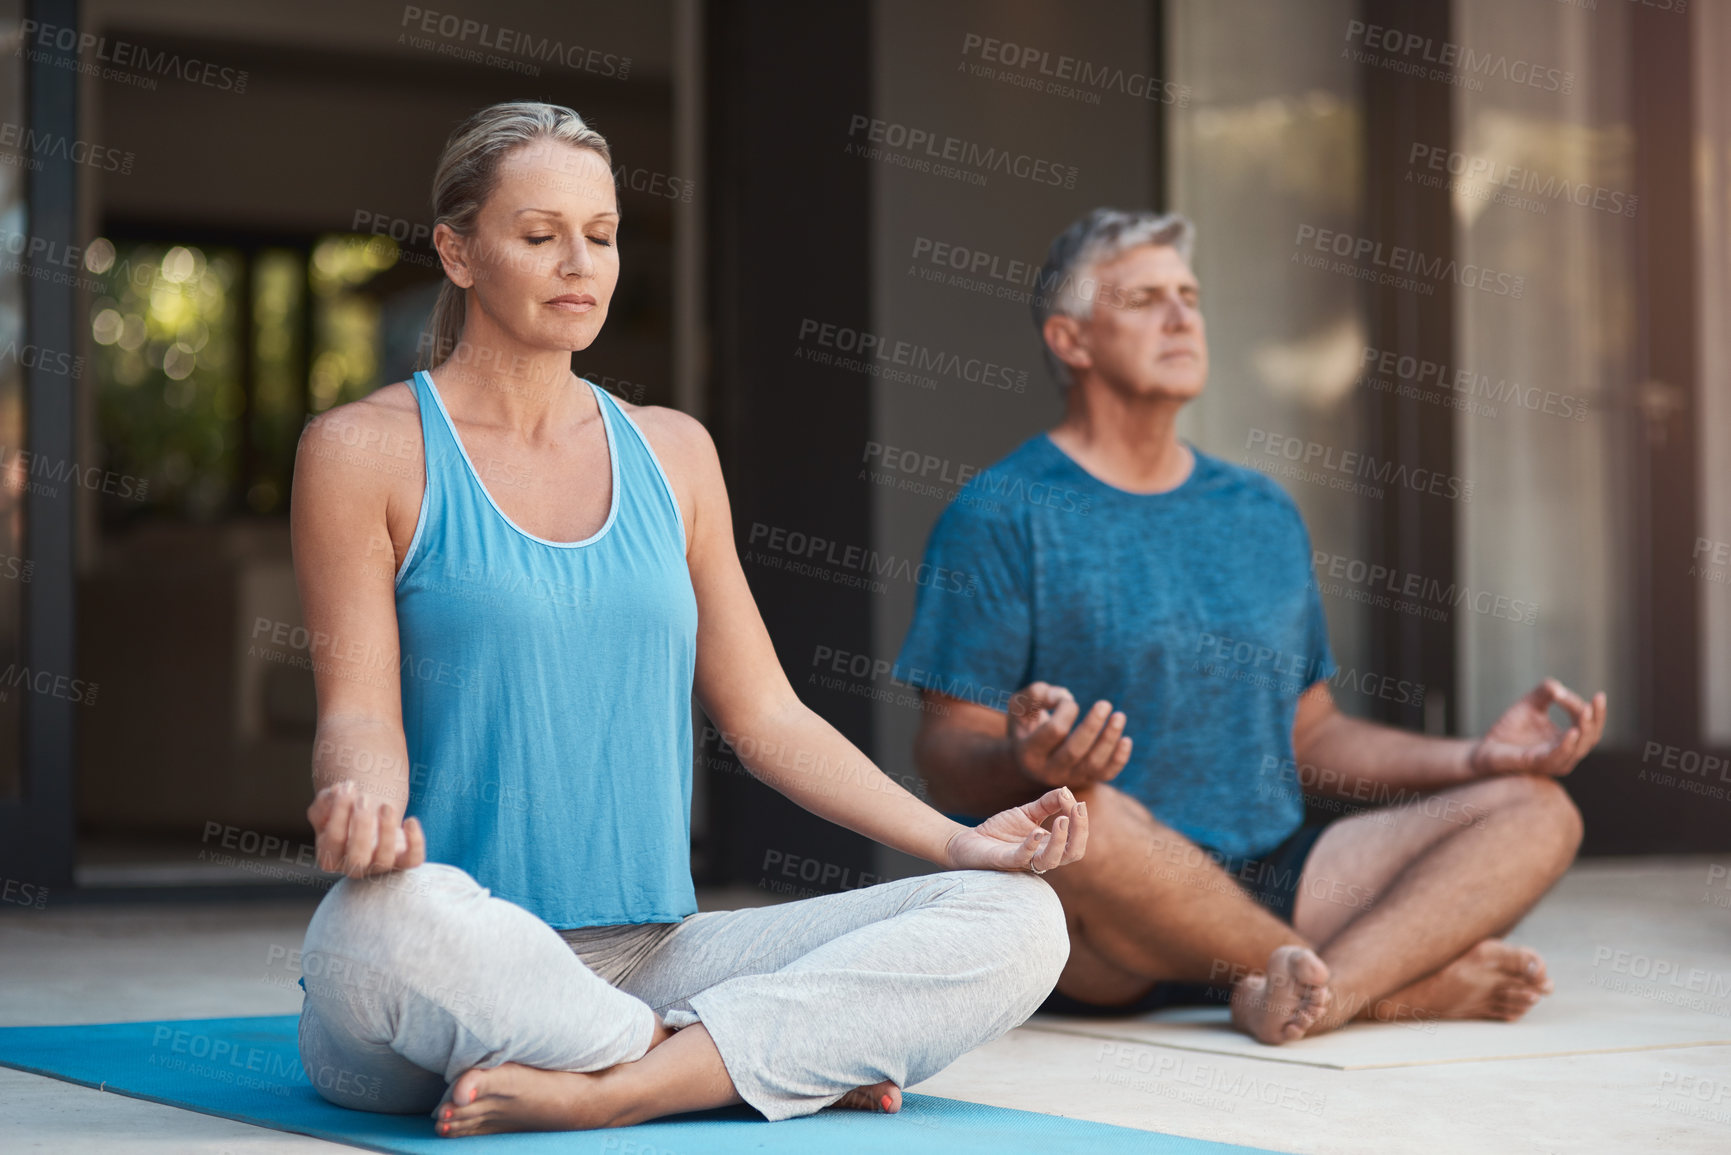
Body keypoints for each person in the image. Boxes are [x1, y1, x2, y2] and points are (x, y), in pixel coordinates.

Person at [290, 101, 1084, 1138]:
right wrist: (361, 808)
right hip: (458, 952)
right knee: (387, 924)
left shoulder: (673, 452)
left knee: (1018, 918)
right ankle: (748, 1058)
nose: (580, 262)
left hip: (654, 960)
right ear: (458, 252)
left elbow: (766, 719)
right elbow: (359, 713)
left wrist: (958, 842)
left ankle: (626, 1084)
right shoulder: (363, 449)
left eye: (603, 236)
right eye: (539, 236)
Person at [897, 207, 1602, 1046]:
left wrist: (1477, 759)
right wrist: (1023, 760)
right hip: (1106, 906)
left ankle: (1312, 988)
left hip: (1278, 872)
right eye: (1144, 298)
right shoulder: (1001, 513)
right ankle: (1378, 984)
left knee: (1538, 809)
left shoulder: (1259, 510)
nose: (1180, 315)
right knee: (1078, 815)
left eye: (1189, 295)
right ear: (1071, 340)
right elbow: (944, 754)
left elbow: (1312, 735)